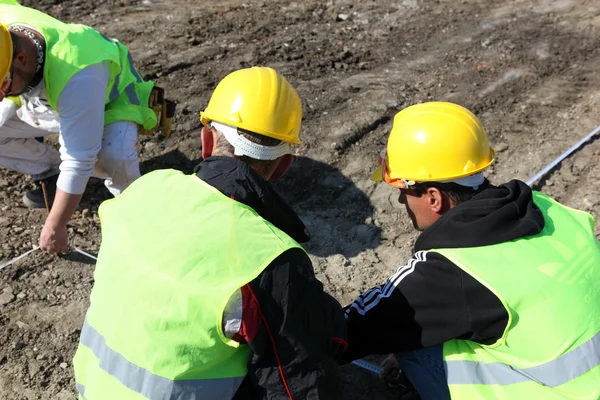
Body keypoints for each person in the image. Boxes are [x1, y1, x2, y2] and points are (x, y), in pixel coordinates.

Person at [72, 66, 347, 399]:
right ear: (285, 164)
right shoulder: (269, 257)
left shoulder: (143, 190)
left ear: (206, 140)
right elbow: (299, 387)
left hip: (92, 387)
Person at [343, 101, 600, 399]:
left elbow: (355, 328)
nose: (402, 202)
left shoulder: (451, 269)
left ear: (433, 198)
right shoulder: (546, 208)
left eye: (403, 192)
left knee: (409, 342)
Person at [0, 0, 159, 254]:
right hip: (46, 97)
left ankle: (142, 216)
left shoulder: (79, 74)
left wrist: (56, 226)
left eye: (2, 88)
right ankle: (51, 172)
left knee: (111, 154)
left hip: (107, 100)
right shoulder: (4, 25)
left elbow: (78, 159)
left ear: (21, 58)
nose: (2, 96)